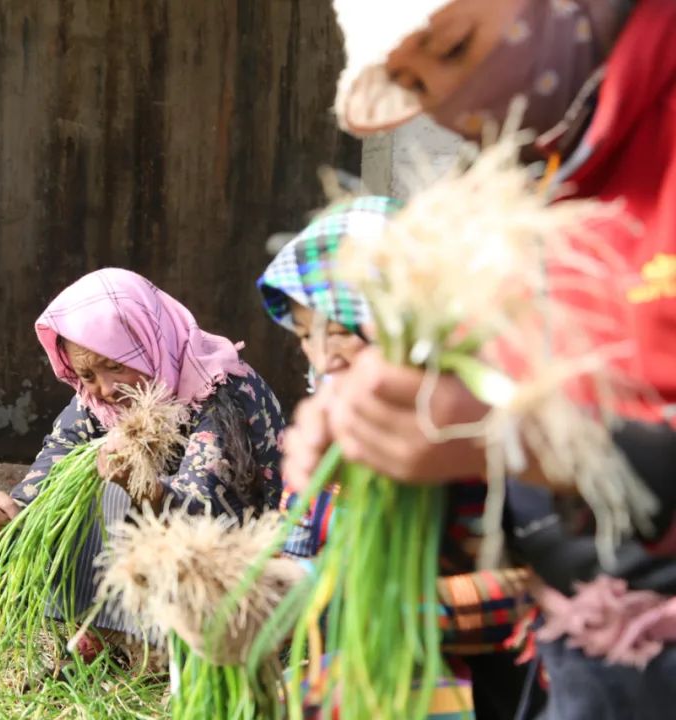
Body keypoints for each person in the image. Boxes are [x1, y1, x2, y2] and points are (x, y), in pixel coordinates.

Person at [285, 0, 676, 716]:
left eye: (456, 44)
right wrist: (380, 453)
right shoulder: (534, 189)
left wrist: (521, 440)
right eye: (416, 84)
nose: (456, 99)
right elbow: (517, 516)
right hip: (584, 673)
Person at [258, 197, 540, 719]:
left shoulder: (479, 429)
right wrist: (265, 591)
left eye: (341, 329)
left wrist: (383, 607)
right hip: (360, 682)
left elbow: (540, 594)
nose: (324, 358)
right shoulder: (326, 429)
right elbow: (296, 544)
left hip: (487, 693)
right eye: (304, 337)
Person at [0, 268, 285, 651]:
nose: (104, 389)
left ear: (150, 340)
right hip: (143, 575)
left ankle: (147, 641)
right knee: (77, 481)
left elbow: (210, 514)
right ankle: (96, 627)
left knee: (117, 492)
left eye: (116, 365)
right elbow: (50, 472)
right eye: (86, 375)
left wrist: (146, 490)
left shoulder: (221, 393)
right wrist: (10, 511)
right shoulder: (95, 403)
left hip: (230, 575)